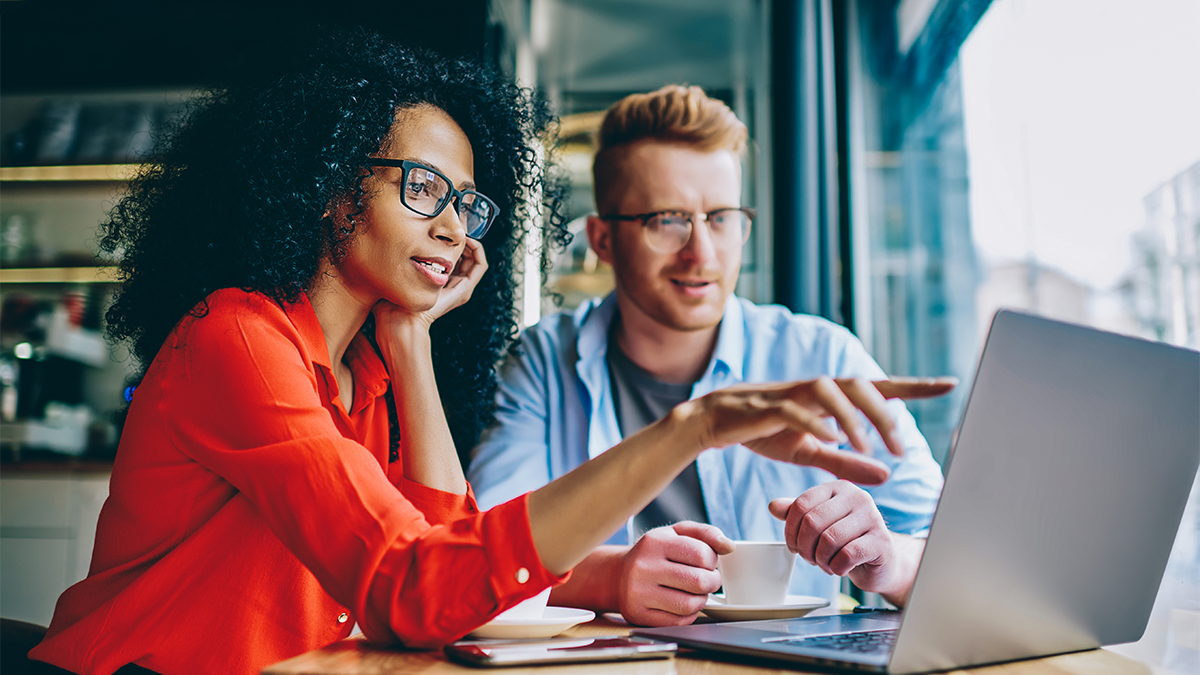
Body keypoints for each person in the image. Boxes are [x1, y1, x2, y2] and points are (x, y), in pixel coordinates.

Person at [28, 32, 951, 675]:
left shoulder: (371, 370)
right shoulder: (238, 337)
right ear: (327, 189)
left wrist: (412, 336)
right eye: (422, 186)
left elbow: (442, 557)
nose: (449, 224)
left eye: (465, 203)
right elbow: (416, 584)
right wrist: (693, 429)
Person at [468, 85, 950, 627]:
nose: (702, 252)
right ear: (602, 240)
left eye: (721, 217)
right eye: (667, 220)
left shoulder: (822, 355)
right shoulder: (543, 361)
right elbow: (481, 554)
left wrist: (889, 561)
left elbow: (956, 553)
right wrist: (613, 576)